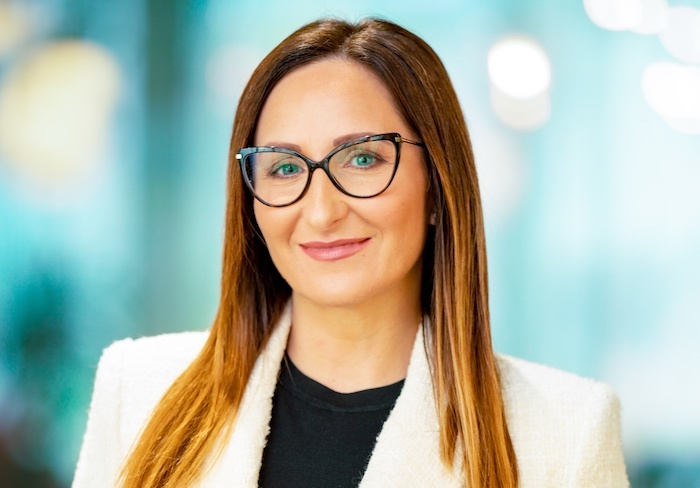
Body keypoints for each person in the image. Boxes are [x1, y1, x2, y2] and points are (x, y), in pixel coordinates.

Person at [73, 18, 629, 488]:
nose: (321, 212)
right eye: (284, 168)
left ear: (438, 187)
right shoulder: (138, 389)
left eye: (362, 159)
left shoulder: (565, 433)